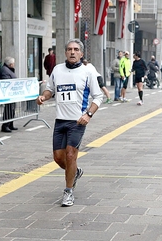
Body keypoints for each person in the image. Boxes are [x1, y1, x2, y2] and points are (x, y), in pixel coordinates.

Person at [36, 38, 103, 207]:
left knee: (71, 155)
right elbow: (50, 89)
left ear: (81, 53)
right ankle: (75, 172)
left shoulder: (88, 72)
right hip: (60, 120)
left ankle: (68, 192)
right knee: (58, 158)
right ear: (65, 52)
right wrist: (43, 96)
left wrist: (88, 114)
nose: (72, 52)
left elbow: (98, 96)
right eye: (69, 49)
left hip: (77, 122)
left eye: (75, 49)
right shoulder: (57, 70)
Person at [0, 56, 18, 133]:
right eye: (13, 63)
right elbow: (5, 81)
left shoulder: (8, 70)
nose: (14, 65)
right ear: (10, 64)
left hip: (12, 92)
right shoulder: (5, 70)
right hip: (8, 92)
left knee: (12, 108)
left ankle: (10, 123)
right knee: (9, 109)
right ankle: (5, 125)